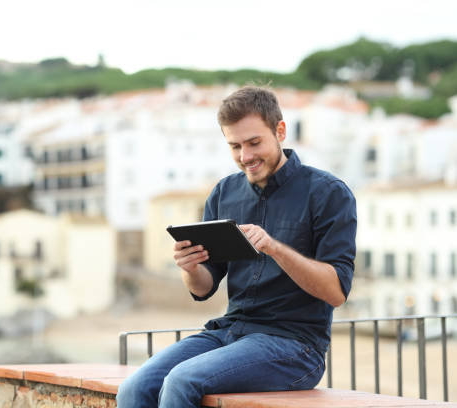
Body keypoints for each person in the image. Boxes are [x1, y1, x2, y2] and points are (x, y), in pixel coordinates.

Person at [116, 85, 357, 408]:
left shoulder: (328, 193)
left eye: (254, 143)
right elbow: (204, 288)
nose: (246, 157)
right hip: (229, 332)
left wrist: (275, 248)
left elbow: (336, 292)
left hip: (295, 346)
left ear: (280, 131)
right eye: (235, 146)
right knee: (134, 387)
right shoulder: (224, 193)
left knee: (182, 380)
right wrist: (190, 267)